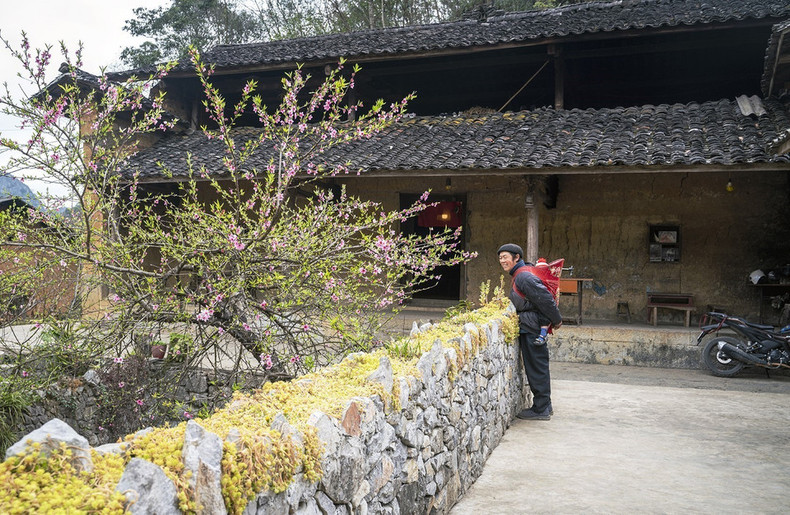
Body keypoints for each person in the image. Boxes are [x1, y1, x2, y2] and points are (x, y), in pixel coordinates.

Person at [498, 243, 562, 420]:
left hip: (532, 327)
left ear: (516, 257)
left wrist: (556, 320)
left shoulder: (524, 277)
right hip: (531, 325)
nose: (502, 260)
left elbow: (545, 299)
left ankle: (541, 408)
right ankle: (545, 406)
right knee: (538, 366)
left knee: (536, 367)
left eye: (505, 257)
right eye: (500, 257)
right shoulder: (521, 274)